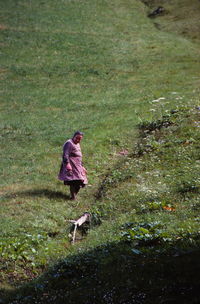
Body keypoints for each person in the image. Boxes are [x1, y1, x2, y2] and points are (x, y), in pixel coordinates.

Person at [58, 131, 88, 200]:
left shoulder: (77, 144)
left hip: (78, 165)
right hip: (72, 165)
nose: (78, 140)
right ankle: (73, 197)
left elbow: (79, 156)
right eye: (77, 138)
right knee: (73, 181)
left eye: (80, 139)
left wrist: (82, 166)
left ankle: (73, 196)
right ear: (73, 136)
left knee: (81, 181)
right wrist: (67, 164)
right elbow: (65, 154)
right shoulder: (69, 143)